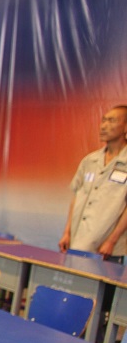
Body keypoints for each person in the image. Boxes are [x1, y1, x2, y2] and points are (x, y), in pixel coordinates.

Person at [59, 105, 127, 260]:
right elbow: (77, 196)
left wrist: (112, 241)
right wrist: (67, 232)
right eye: (103, 120)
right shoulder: (89, 161)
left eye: (112, 121)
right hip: (77, 241)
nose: (104, 126)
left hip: (106, 248)